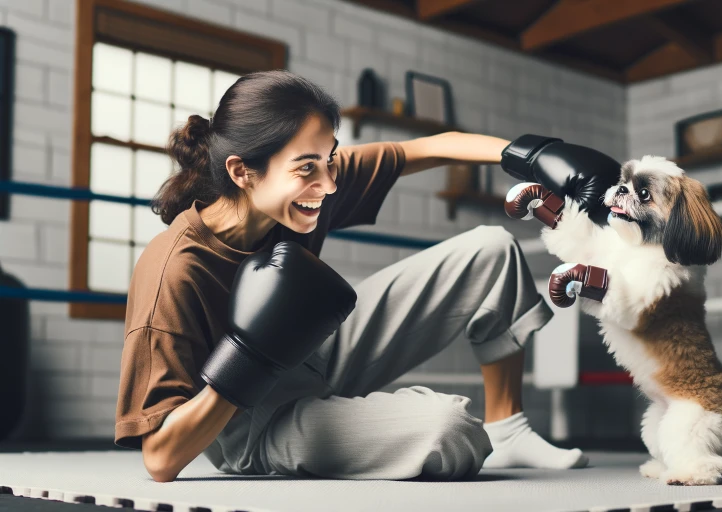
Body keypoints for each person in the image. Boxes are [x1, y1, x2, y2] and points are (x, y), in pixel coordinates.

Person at [114, 70, 588, 483]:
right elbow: (160, 458)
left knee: (491, 247)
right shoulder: (174, 270)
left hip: (315, 354)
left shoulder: (304, 185)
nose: (329, 185)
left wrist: (532, 156)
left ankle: (508, 430)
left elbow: (423, 148)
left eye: (331, 160)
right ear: (242, 172)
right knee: (452, 431)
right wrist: (248, 356)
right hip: (252, 423)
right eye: (308, 169)